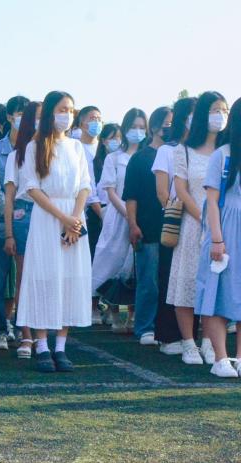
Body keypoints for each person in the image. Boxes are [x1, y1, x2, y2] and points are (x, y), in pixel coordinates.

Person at [16, 91, 93, 373]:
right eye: (62, 109)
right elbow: (32, 188)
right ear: (50, 112)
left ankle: (60, 346)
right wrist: (62, 217)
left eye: (71, 110)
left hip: (74, 217)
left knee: (69, 278)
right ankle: (42, 345)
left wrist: (74, 219)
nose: (67, 115)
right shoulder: (34, 147)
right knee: (45, 276)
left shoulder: (76, 147)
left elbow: (84, 185)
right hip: (47, 219)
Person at [168, 91, 229, 366]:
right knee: (188, 282)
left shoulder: (228, 150)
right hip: (193, 226)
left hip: (223, 226)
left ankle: (209, 340)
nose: (221, 116)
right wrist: (203, 219)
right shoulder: (183, 151)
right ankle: (189, 342)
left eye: (224, 110)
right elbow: (181, 189)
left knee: (215, 285)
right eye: (215, 110)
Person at [92, 108, 149, 330]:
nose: (138, 131)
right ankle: (113, 313)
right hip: (119, 216)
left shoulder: (147, 156)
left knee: (134, 267)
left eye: (142, 127)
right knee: (113, 263)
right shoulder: (114, 158)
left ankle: (133, 316)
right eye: (133, 127)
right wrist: (128, 213)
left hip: (143, 216)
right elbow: (110, 190)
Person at [197, 99, 240, 377]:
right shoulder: (222, 155)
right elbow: (212, 201)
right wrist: (216, 239)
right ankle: (220, 358)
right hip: (225, 229)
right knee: (216, 291)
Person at [123, 107, 172, 347]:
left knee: (169, 281)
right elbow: (130, 196)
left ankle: (166, 327)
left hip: (174, 228)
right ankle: (145, 327)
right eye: (167, 124)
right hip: (148, 227)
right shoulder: (140, 158)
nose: (171, 128)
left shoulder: (178, 154)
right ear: (155, 127)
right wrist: (132, 224)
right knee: (148, 281)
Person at [0, 95, 30, 348]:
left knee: (26, 278)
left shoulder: (35, 148)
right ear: (10, 117)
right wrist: (9, 209)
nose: (23, 119)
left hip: (29, 221)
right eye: (19, 113)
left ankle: (25, 328)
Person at [151, 96, 196, 356]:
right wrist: (176, 216)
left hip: (201, 223)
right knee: (170, 277)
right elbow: (162, 191)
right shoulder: (167, 150)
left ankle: (198, 336)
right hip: (176, 222)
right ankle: (168, 336)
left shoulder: (204, 149)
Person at [3, 101, 41, 358]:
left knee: (46, 276)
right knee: (25, 277)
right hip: (25, 213)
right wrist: (8, 233)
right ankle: (26, 333)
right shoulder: (16, 155)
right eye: (37, 117)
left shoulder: (57, 151)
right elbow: (9, 197)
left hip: (51, 213)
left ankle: (43, 334)